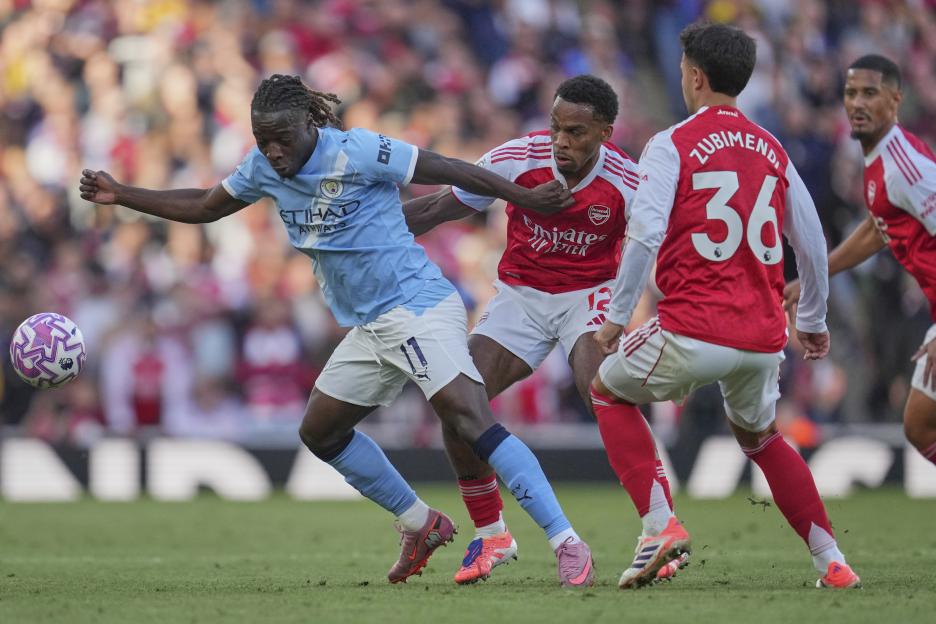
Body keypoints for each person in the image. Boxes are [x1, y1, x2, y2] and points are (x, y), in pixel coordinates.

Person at [79, 74, 597, 587]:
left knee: (469, 418)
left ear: (310, 122)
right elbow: (204, 205)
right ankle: (420, 524)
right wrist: (123, 194)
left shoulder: (359, 150)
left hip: (416, 305)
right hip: (370, 327)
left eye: (282, 138)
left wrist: (523, 198)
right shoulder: (262, 168)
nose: (275, 152)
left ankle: (566, 541)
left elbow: (450, 168)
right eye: (264, 140)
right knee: (320, 432)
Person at [589, 23, 860, 590]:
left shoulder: (672, 143)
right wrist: (810, 318)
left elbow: (644, 234)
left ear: (694, 76)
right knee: (762, 439)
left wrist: (617, 317)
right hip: (762, 340)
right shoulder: (773, 148)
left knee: (607, 390)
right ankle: (833, 562)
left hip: (692, 329)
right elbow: (809, 241)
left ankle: (659, 525)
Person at [405, 74, 683, 584]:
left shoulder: (626, 180)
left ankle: (660, 526)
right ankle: (492, 535)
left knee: (598, 385)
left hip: (588, 296)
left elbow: (660, 246)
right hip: (520, 297)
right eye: (556, 127)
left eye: (576, 132)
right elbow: (442, 206)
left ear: (605, 132)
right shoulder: (517, 158)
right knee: (456, 401)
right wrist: (365, 233)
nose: (561, 141)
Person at [785, 54, 936, 468]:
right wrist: (814, 276)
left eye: (870, 93)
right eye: (851, 93)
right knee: (920, 426)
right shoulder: (878, 162)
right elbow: (876, 229)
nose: (857, 102)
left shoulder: (905, 166)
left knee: (920, 425)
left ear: (896, 99)